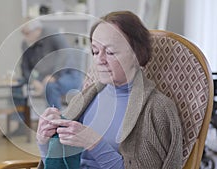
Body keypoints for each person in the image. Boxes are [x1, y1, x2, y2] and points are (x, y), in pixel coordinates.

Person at [36, 11, 183, 169]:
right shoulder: (86, 96)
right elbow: (60, 162)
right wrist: (44, 142)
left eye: (110, 52)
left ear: (137, 53)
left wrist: (95, 143)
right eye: (95, 51)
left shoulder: (157, 109)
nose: (99, 60)